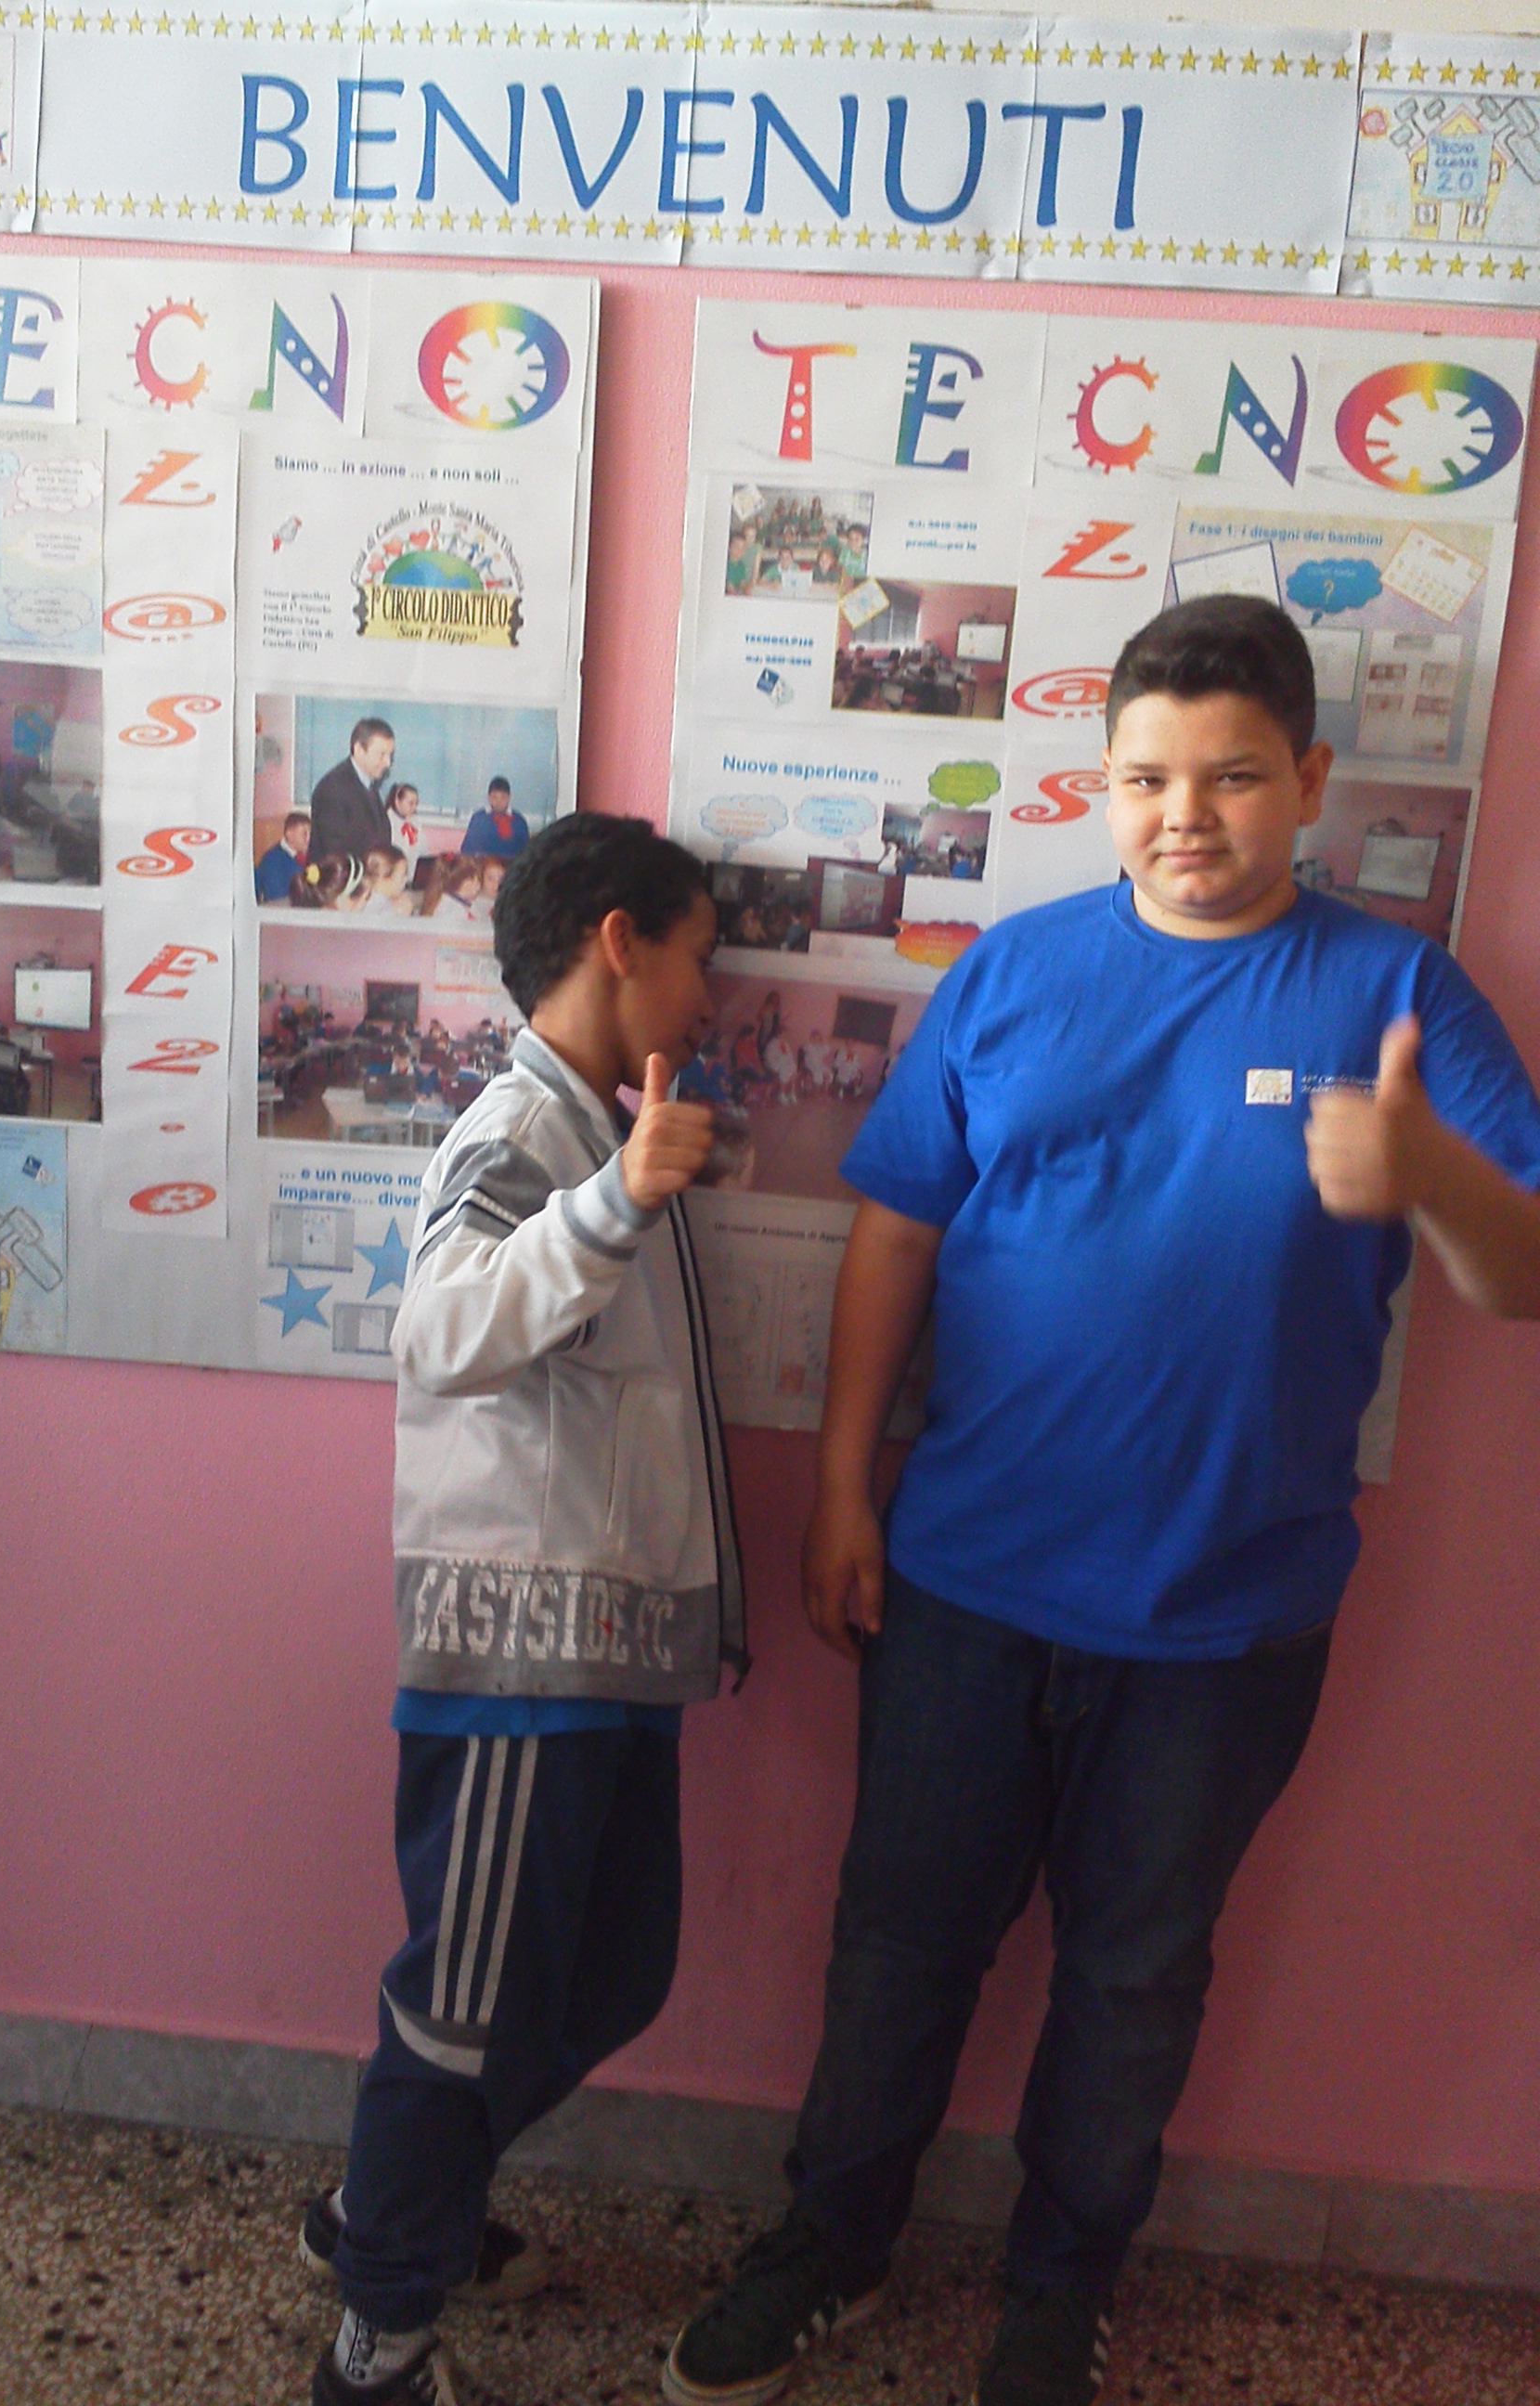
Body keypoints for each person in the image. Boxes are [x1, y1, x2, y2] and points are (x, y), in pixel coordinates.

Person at [662, 596, 1540, 2406]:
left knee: (1134, 1981)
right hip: (964, 1581)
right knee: (899, 1948)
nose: (1183, 814)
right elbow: (895, 1231)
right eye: (1146, 777)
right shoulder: (1011, 971)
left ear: (1307, 778)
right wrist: (841, 1492)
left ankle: (1060, 2293)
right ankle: (827, 2241)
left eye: (1231, 776)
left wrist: (1429, 1174)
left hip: (1224, 1618)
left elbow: (1520, 1276)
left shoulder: (1398, 998)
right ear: (1102, 780)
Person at [308, 813, 745, 2406]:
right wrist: (613, 1203)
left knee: (614, 1973)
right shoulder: (519, 1131)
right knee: (464, 2008)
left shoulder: (606, 1127)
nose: (712, 995)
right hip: (516, 1661)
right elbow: (440, 1330)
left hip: (609, 1659)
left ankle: (385, 2204)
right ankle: (379, 2336)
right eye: (698, 958)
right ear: (619, 943)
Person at [311, 718, 395, 865]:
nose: (387, 763)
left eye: (390, 755)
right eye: (381, 755)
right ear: (359, 750)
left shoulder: (368, 784)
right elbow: (336, 854)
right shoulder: (333, 788)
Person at [460, 778, 530, 860]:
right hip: (484, 864)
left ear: (509, 797)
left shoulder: (519, 821)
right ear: (489, 797)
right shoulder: (478, 818)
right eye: (494, 797)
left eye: (503, 798)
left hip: (511, 865)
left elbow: (526, 853)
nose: (498, 802)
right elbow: (467, 850)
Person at [255, 810, 314, 904]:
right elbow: (276, 899)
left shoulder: (308, 856)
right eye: (304, 833)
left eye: (310, 834)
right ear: (289, 834)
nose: (308, 839)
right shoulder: (272, 860)